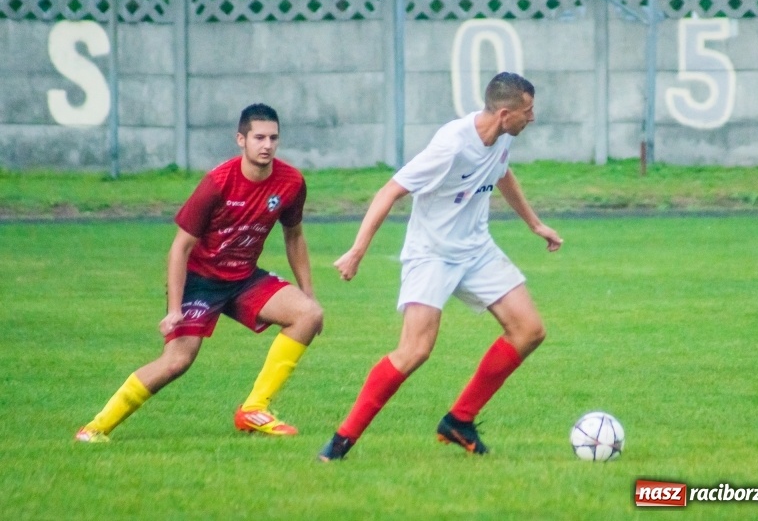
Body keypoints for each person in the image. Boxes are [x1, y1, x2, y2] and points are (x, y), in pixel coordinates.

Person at [318, 72, 563, 461]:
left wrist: (534, 224)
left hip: (476, 250)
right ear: (505, 113)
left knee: (529, 330)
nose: (532, 118)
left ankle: (459, 420)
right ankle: (340, 442)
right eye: (528, 111)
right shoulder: (450, 146)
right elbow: (390, 190)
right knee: (415, 350)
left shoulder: (500, 137)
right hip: (431, 254)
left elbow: (501, 172)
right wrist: (357, 251)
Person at [75, 103, 323, 442]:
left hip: (244, 278)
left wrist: (308, 293)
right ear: (241, 139)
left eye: (273, 138)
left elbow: (294, 236)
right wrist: (175, 309)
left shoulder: (291, 182)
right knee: (177, 361)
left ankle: (254, 409)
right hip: (200, 282)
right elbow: (180, 248)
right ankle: (95, 428)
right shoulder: (218, 183)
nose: (266, 145)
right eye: (259, 137)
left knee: (308, 315)